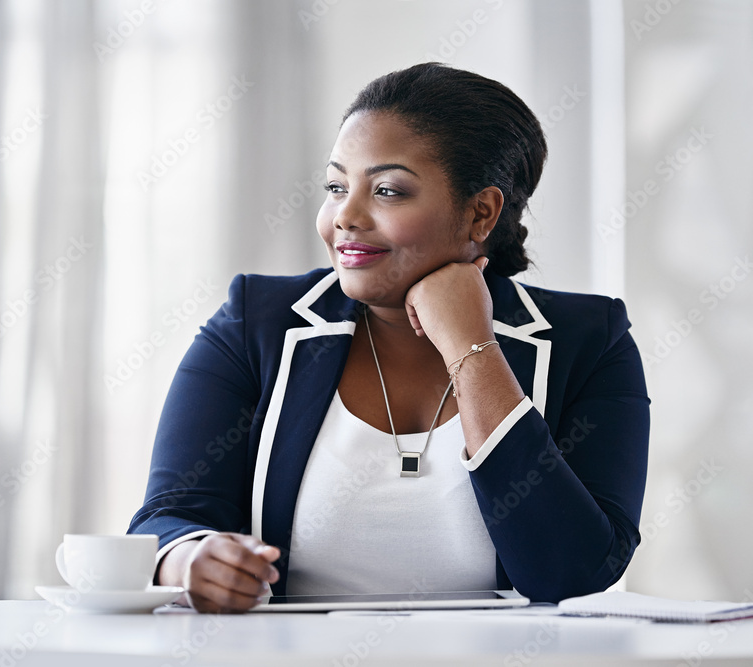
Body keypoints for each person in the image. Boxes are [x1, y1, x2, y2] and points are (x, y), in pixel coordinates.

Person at [128, 63, 649, 613]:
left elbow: (572, 572)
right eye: (336, 186)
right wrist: (191, 559)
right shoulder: (256, 323)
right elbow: (169, 515)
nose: (345, 217)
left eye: (387, 190)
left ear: (481, 212)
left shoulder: (592, 341)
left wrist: (471, 347)